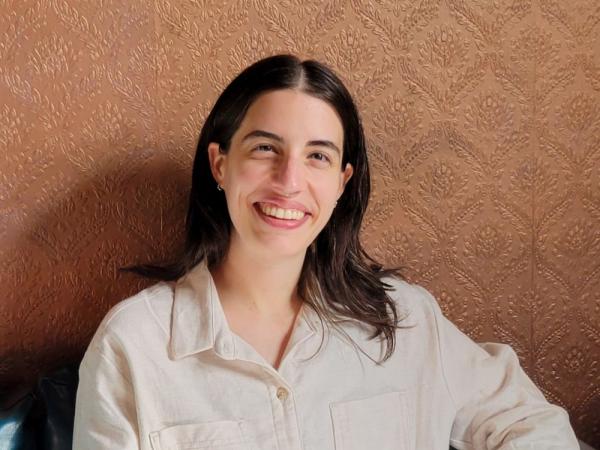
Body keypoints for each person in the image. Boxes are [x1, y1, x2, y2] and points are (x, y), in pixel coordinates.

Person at [73, 54, 579, 449]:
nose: (289, 182)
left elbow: (532, 426)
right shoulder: (134, 346)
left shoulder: (406, 321)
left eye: (317, 155)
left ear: (341, 183)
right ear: (220, 163)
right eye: (265, 148)